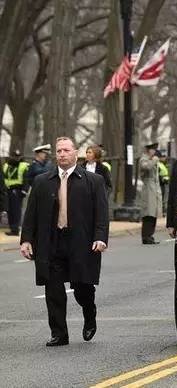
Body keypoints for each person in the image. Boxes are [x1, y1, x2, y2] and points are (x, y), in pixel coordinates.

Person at [19, 137, 108, 346]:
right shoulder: (42, 181)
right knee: (54, 289)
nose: (62, 154)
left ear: (75, 153)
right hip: (51, 242)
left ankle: (89, 313)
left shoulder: (93, 181)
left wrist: (100, 237)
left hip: (81, 241)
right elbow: (31, 214)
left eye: (66, 150)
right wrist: (26, 240)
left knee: (82, 287)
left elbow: (102, 214)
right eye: (59, 151)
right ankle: (59, 333)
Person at [138, 143, 162, 244]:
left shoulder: (152, 159)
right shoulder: (144, 159)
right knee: (148, 213)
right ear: (149, 150)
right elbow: (146, 167)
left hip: (155, 188)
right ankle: (146, 236)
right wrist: (154, 160)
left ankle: (150, 236)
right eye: (153, 150)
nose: (154, 152)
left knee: (154, 213)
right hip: (148, 188)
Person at [3, 149, 30, 236]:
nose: (16, 158)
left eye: (18, 157)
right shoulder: (6, 165)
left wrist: (24, 191)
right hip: (7, 190)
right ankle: (12, 228)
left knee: (16, 210)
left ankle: (15, 229)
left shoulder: (24, 165)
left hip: (17, 190)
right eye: (15, 157)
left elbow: (26, 179)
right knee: (9, 210)